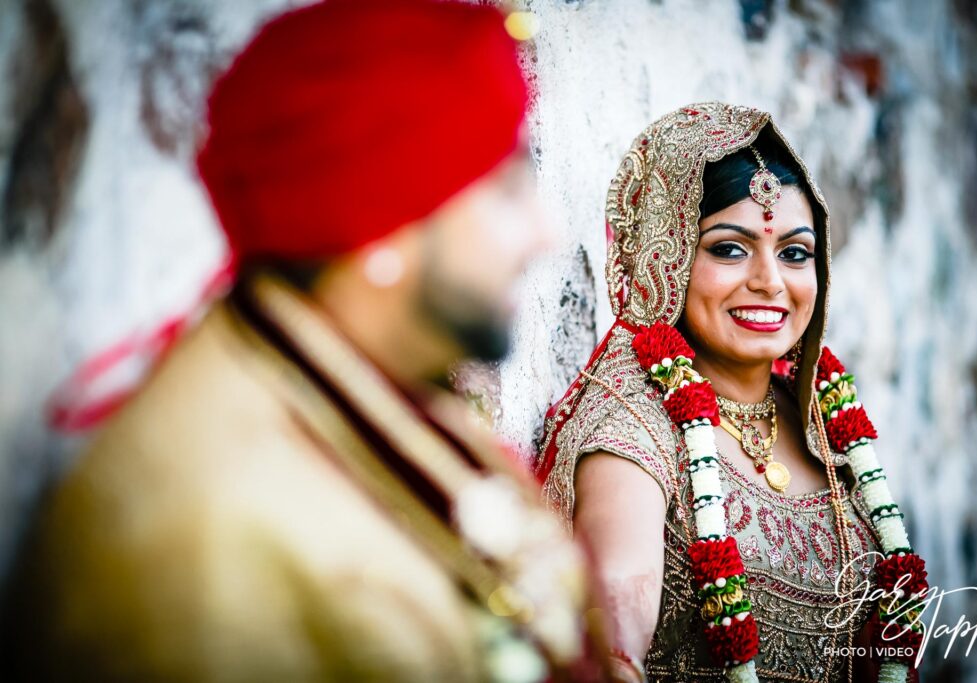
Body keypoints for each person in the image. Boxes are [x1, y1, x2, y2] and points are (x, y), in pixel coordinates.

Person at [4, 1, 607, 681]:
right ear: (381, 223)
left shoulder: (349, 365)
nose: (546, 233)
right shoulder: (207, 545)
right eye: (504, 189)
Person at [537, 103, 929, 682]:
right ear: (666, 260)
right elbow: (615, 620)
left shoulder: (824, 420)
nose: (770, 281)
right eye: (729, 248)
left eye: (795, 253)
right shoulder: (632, 423)